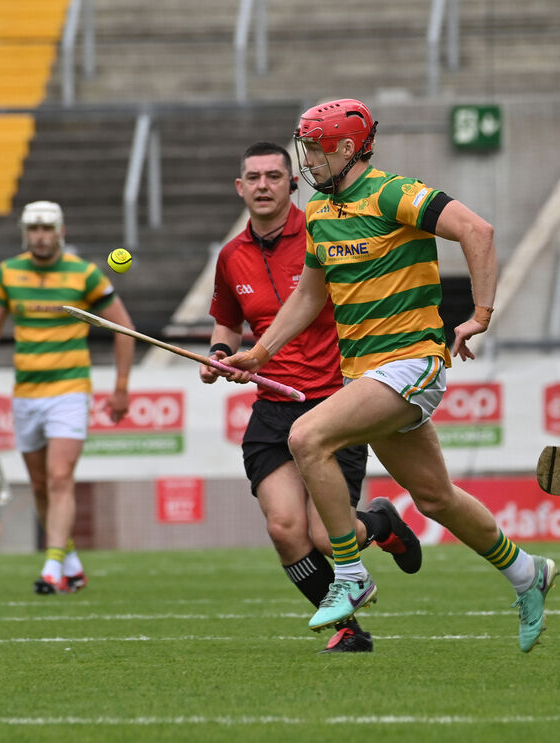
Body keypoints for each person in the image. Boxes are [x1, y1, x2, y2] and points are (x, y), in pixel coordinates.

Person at [223, 98, 558, 653]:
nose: (306, 160)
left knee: (306, 437)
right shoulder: (323, 214)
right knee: (435, 497)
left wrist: (479, 315)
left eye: (314, 149)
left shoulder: (393, 192)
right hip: (366, 376)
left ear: (348, 149)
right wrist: (260, 353)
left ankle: (351, 575)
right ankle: (527, 573)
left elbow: (478, 230)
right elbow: (310, 294)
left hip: (411, 364)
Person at [200, 141, 422, 654]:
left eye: (273, 176)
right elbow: (227, 321)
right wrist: (218, 353)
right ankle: (349, 629)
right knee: (284, 528)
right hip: (272, 408)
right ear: (240, 187)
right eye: (252, 177)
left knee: (327, 537)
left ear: (292, 182)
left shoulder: (325, 233)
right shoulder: (230, 256)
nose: (262, 185)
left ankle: (382, 524)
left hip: (331, 403)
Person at [0, 200, 134, 595]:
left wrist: (122, 386)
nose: (41, 236)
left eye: (48, 229)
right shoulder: (9, 273)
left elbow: (123, 326)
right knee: (41, 487)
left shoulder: (85, 275)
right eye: (34, 229)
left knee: (61, 478)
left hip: (70, 390)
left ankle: (51, 568)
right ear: (26, 233)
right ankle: (71, 564)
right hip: (26, 393)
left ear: (61, 231)